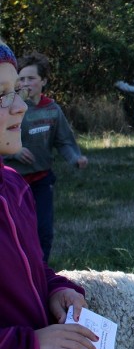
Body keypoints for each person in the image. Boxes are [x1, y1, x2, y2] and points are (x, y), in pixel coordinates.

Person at [0, 40, 101, 349]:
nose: (20, 107)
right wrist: (33, 346)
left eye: (16, 91)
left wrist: (57, 289)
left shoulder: (13, 186)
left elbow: (32, 268)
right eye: (1, 96)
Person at [4, 52, 88, 263]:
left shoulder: (52, 110)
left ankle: (41, 270)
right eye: (21, 79)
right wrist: (15, 152)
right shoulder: (12, 108)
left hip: (41, 180)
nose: (26, 83)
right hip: (15, 180)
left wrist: (75, 158)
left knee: (43, 230)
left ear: (43, 81)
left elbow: (64, 141)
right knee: (15, 231)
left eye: (31, 78)